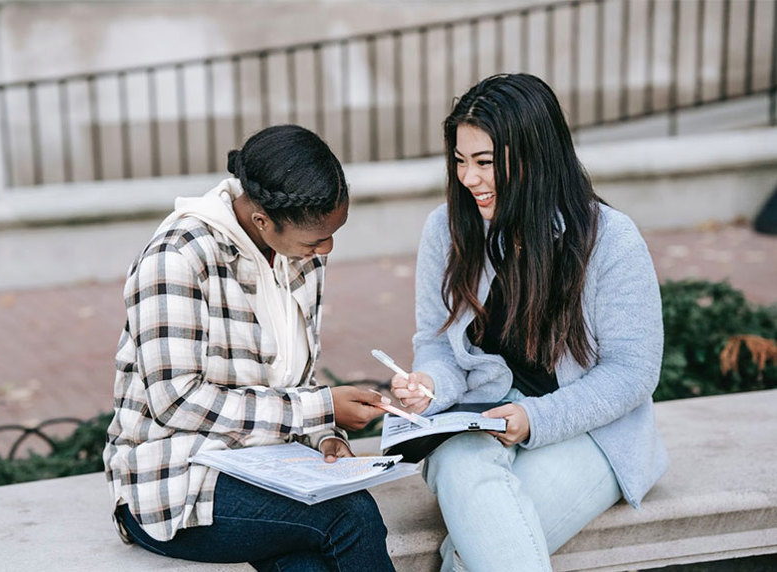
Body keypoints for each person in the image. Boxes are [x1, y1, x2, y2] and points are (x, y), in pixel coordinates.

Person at [391, 74, 668, 572]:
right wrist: (429, 385)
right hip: (478, 419)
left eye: (484, 163)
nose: (467, 179)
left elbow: (633, 370)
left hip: (590, 432)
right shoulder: (446, 230)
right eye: (459, 161)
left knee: (466, 555)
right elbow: (436, 344)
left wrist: (534, 421)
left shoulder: (610, 240)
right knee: (458, 465)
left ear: (534, 157)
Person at [103, 124, 394, 571]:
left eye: (334, 233)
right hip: (173, 484)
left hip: (266, 468)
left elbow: (293, 383)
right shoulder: (176, 259)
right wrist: (320, 409)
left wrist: (325, 437)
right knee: (350, 515)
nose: (327, 249)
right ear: (262, 221)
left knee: (308, 567)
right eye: (317, 239)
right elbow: (176, 402)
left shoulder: (299, 257)